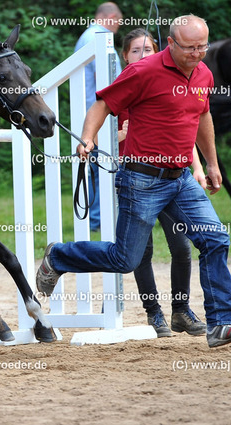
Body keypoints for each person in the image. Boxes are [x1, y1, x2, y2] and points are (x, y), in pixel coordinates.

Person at [37, 15, 231, 348]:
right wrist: (87, 138)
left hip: (181, 178)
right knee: (124, 259)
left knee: (215, 239)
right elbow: (103, 104)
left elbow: (202, 115)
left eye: (202, 46)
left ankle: (221, 323)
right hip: (141, 179)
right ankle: (58, 257)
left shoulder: (204, 73)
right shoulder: (143, 71)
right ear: (171, 43)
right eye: (190, 48)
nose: (198, 53)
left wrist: (211, 164)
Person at [119, 28, 207, 337]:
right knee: (141, 252)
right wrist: (123, 134)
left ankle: (181, 310)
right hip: (137, 179)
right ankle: (154, 313)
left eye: (149, 50)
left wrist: (198, 167)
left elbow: (186, 132)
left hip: (173, 178)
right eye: (135, 51)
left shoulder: (171, 82)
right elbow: (102, 131)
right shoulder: (126, 85)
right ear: (123, 56)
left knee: (181, 246)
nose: (143, 56)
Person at [74, 2, 123, 232]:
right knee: (100, 167)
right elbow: (106, 79)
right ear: (112, 17)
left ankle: (96, 219)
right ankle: (97, 220)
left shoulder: (87, 36)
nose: (118, 29)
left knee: (95, 167)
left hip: (90, 111)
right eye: (119, 23)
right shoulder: (99, 37)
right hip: (99, 114)